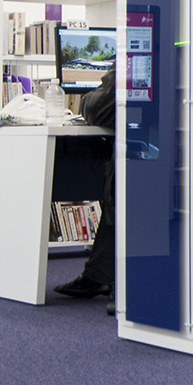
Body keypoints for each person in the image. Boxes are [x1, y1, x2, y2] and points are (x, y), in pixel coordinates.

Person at [55, 67, 116, 299]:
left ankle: (99, 277)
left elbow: (98, 110)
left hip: (143, 161)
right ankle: (99, 275)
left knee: (118, 189)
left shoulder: (136, 56)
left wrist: (89, 97)